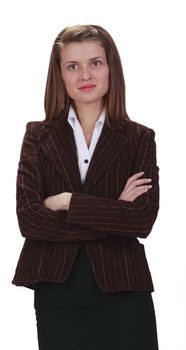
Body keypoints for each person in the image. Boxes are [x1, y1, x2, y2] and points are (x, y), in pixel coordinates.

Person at [12, 24, 159, 350]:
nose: (85, 75)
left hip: (125, 289)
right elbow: (29, 219)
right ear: (60, 75)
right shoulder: (37, 135)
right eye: (72, 66)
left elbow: (142, 219)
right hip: (58, 292)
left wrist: (68, 201)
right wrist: (113, 211)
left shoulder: (139, 138)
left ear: (110, 69)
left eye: (95, 62)